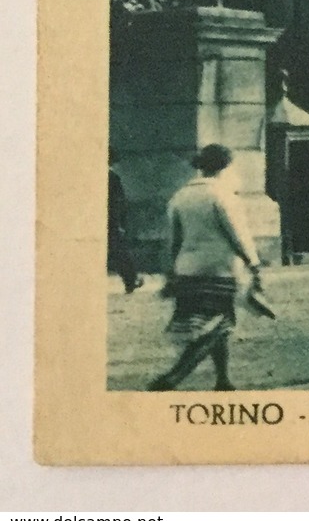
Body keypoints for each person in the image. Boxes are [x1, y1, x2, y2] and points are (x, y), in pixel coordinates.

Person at [146, 144, 265, 392]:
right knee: (218, 325)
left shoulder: (181, 196)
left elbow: (173, 241)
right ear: (225, 167)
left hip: (187, 271)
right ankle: (172, 378)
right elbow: (238, 235)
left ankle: (223, 380)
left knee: (209, 324)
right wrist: (254, 264)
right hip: (219, 270)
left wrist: (170, 273)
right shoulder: (222, 196)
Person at [108, 159, 143, 293]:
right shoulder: (113, 177)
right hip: (111, 221)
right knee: (120, 252)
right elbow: (119, 202)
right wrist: (120, 222)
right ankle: (130, 280)